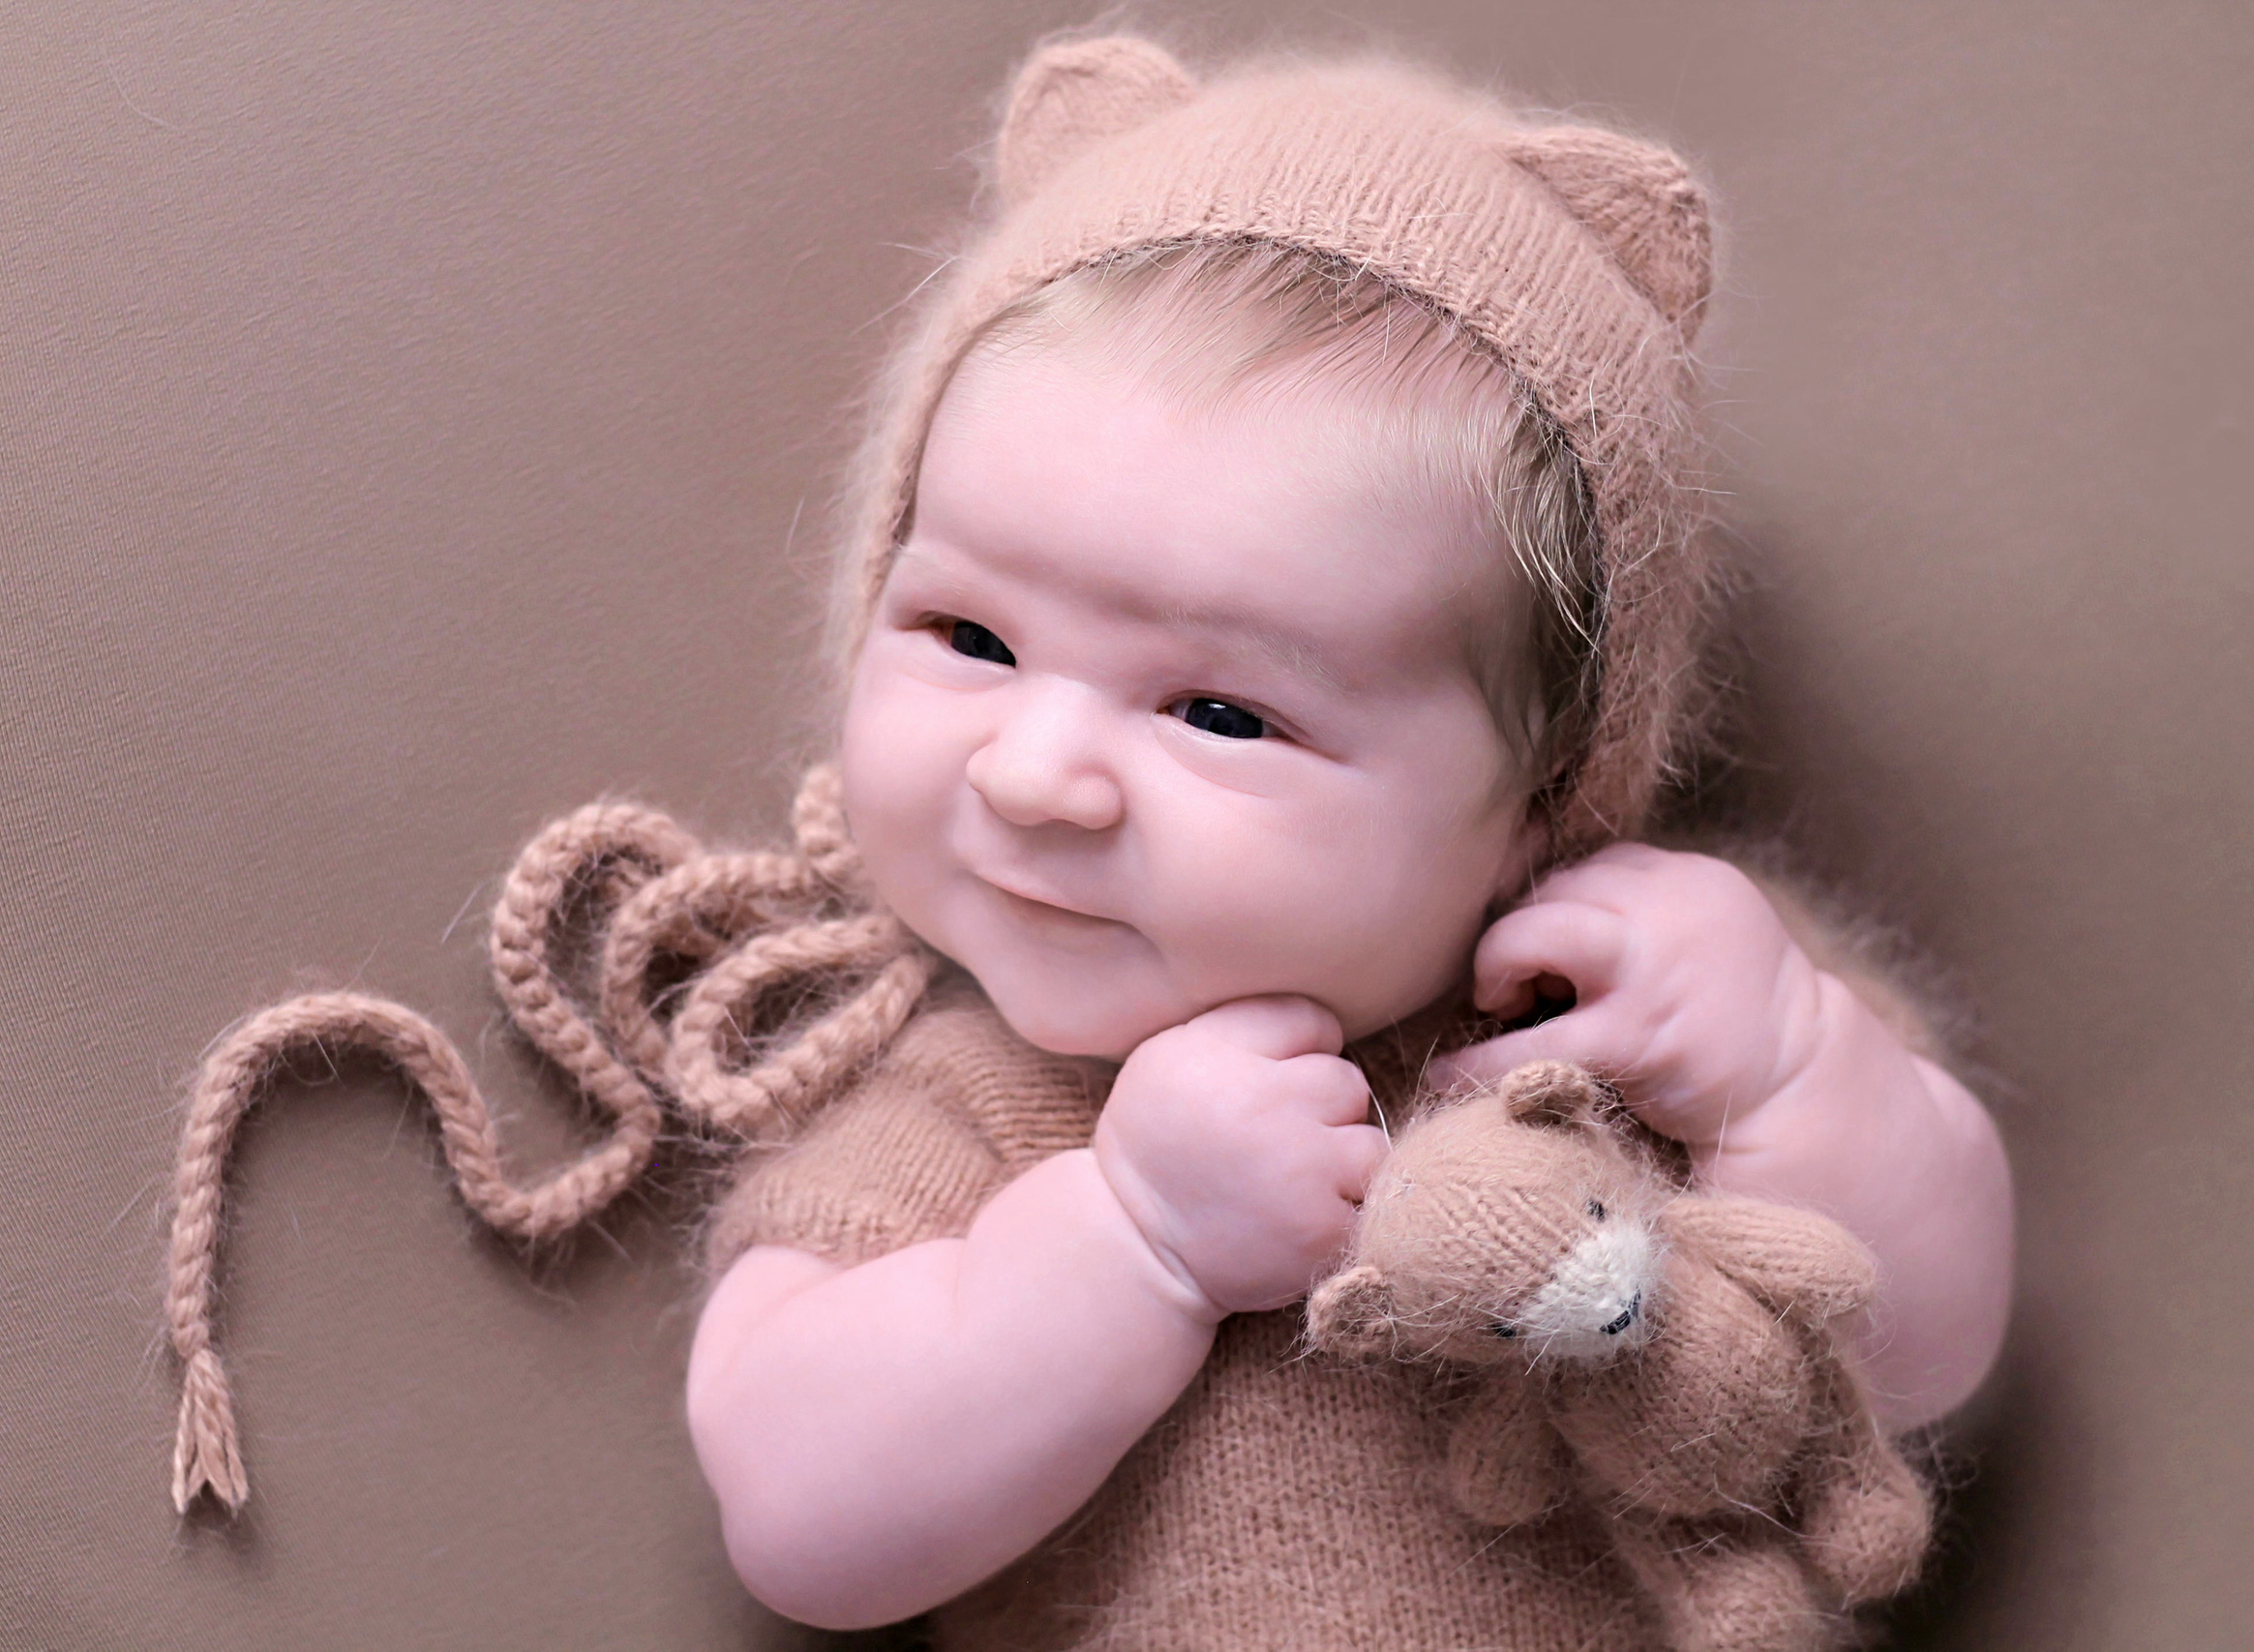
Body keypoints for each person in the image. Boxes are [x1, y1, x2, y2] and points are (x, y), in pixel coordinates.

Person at [677, 35, 2013, 1651]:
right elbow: (799, 1521)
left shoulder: (1630, 1023)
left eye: (1220, 714)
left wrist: (1788, 1068)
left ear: (1546, 796)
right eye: (970, 635)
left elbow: (1924, 1357)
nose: (1035, 776)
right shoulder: (976, 1111)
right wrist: (1135, 1244)